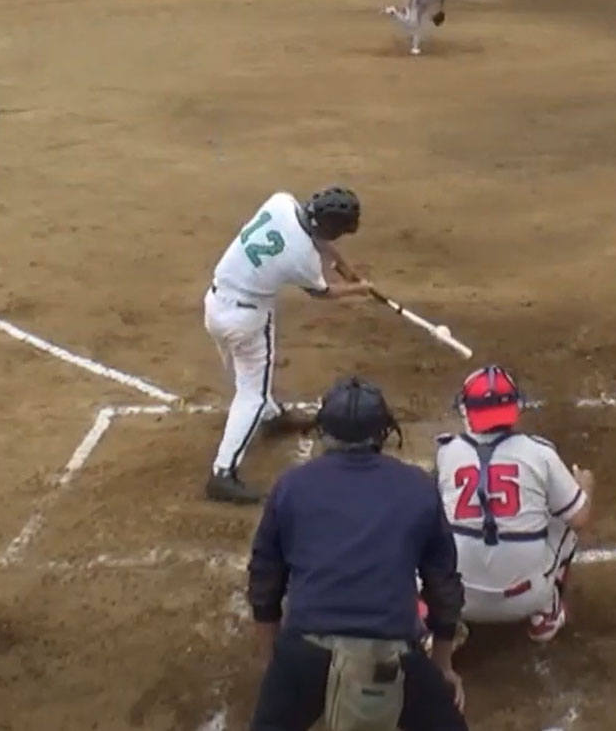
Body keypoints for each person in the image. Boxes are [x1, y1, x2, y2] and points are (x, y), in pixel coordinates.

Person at [247, 376, 468, 731]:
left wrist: (276, 667)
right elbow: (443, 588)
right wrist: (441, 668)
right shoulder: (418, 487)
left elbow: (265, 580)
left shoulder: (291, 485)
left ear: (324, 431)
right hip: (392, 658)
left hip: (306, 653)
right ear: (383, 431)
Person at [203, 187, 375, 504]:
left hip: (215, 306)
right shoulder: (302, 260)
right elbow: (322, 292)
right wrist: (359, 288)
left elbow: (316, 237)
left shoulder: (280, 202)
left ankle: (272, 417)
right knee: (251, 392)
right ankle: (223, 472)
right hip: (247, 320)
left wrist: (345, 267)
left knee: (244, 374)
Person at [433, 366, 596, 643]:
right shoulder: (540, 452)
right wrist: (586, 486)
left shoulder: (447, 452)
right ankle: (545, 614)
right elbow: (579, 519)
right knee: (565, 515)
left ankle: (431, 624)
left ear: (466, 410)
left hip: (456, 599)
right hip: (526, 597)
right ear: (516, 407)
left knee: (430, 530)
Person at [383, 0, 451, 56]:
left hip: (424, 6)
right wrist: (409, 1)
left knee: (417, 26)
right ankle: (394, 13)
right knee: (413, 24)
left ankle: (415, 47)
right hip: (415, 3)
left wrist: (441, 10)